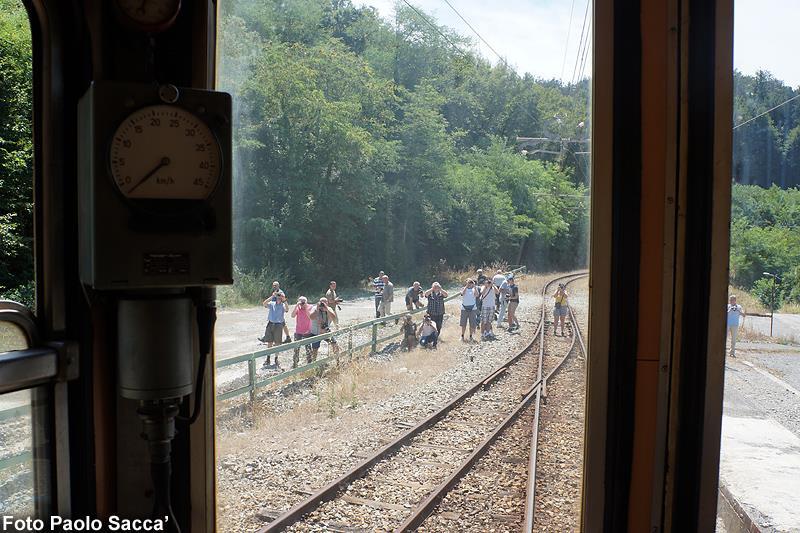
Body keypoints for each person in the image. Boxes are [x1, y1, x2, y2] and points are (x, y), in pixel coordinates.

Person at [259, 291, 288, 367]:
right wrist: (272, 297)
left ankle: (276, 358)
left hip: (278, 325)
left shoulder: (283, 305)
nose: (278, 298)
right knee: (269, 342)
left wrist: (284, 300)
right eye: (277, 296)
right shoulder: (272, 303)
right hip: (270, 324)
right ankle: (268, 358)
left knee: (277, 343)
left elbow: (287, 309)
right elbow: (264, 304)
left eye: (280, 297)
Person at [309, 297, 339, 363]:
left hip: (326, 331)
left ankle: (337, 361)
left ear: (327, 303)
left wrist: (327, 309)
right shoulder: (314, 308)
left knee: (335, 345)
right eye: (321, 302)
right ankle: (313, 363)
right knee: (315, 349)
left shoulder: (328, 309)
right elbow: (311, 317)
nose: (322, 304)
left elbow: (334, 318)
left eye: (324, 303)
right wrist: (317, 309)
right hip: (316, 333)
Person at [290, 296, 314, 368]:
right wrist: (296, 306)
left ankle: (309, 363)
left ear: (306, 302)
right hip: (298, 331)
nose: (302, 304)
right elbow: (292, 316)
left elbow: (310, 317)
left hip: (307, 331)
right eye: (301, 302)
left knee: (308, 348)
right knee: (296, 349)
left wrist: (305, 307)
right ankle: (295, 363)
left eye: (303, 302)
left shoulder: (310, 307)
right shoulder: (298, 308)